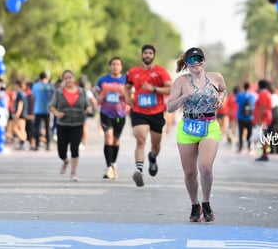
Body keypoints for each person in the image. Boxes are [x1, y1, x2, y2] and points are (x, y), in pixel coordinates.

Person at [167, 47, 226, 222]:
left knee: (206, 168)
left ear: (204, 60)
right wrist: (183, 98)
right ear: (186, 63)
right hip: (188, 127)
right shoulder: (181, 81)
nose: (196, 63)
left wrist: (221, 99)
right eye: (191, 60)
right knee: (190, 173)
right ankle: (195, 205)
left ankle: (206, 202)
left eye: (198, 59)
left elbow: (223, 90)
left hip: (209, 125)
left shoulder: (216, 77)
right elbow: (169, 107)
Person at [124, 45, 172, 187]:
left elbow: (170, 88)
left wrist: (154, 89)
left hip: (157, 112)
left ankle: (152, 157)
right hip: (139, 111)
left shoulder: (160, 71)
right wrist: (128, 98)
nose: (148, 55)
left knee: (155, 145)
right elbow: (126, 87)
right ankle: (139, 170)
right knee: (140, 139)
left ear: (153, 56)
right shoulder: (133, 72)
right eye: (145, 53)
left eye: (150, 53)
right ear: (141, 55)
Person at [49, 70, 92, 181]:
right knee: (61, 151)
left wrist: (88, 109)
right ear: (63, 80)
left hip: (78, 123)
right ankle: (65, 161)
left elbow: (88, 105)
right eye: (65, 78)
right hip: (63, 124)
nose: (68, 80)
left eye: (70, 77)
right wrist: (57, 113)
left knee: (74, 148)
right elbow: (51, 106)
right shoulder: (59, 92)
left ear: (74, 79)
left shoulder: (82, 92)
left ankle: (73, 172)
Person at [94, 57, 127, 179]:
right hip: (106, 113)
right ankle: (108, 167)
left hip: (120, 114)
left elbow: (131, 95)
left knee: (116, 141)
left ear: (121, 67)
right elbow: (96, 91)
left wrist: (126, 95)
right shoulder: (103, 80)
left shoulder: (125, 80)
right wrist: (99, 98)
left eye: (118, 64)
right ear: (109, 66)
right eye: (113, 64)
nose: (115, 66)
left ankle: (113, 164)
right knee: (108, 137)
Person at [32, 72, 55, 151]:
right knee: (47, 128)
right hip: (47, 110)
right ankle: (47, 145)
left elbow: (33, 97)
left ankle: (37, 145)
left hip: (37, 109)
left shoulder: (35, 86)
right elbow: (54, 96)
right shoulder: (50, 86)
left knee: (37, 128)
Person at [253, 79, 273, 161]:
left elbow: (262, 107)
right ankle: (265, 153)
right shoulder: (267, 93)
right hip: (266, 118)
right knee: (265, 136)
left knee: (264, 137)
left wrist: (259, 118)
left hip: (264, 119)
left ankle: (265, 154)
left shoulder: (263, 94)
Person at [235, 82, 256, 153]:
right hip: (250, 117)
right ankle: (249, 147)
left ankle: (240, 147)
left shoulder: (240, 95)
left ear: (244, 87)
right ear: (249, 87)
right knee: (249, 132)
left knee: (240, 133)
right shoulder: (253, 96)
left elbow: (236, 102)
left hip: (241, 117)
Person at [12, 80, 27, 150]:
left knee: (15, 128)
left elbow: (20, 105)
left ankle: (24, 141)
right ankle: (23, 143)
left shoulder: (20, 94)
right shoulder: (23, 93)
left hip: (20, 114)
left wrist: (17, 114)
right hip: (24, 114)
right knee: (22, 129)